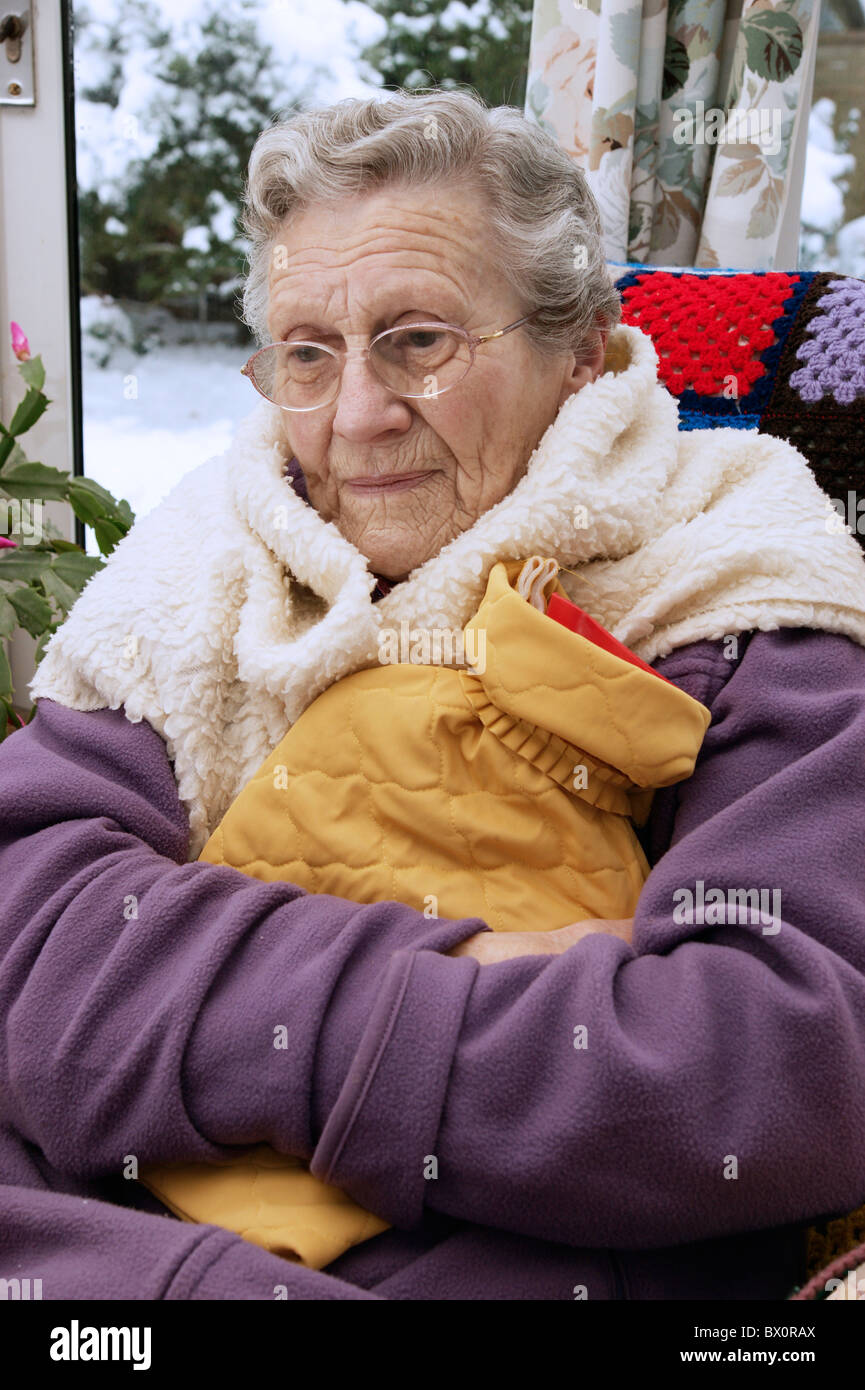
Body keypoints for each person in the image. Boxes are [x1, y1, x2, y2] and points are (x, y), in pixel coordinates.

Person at [2, 88, 865, 1302]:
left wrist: (194, 993)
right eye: (306, 352)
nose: (354, 418)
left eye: (418, 341)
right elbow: (31, 954)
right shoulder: (208, 551)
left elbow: (779, 1065)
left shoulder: (729, 563)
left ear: (577, 354)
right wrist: (497, 972)